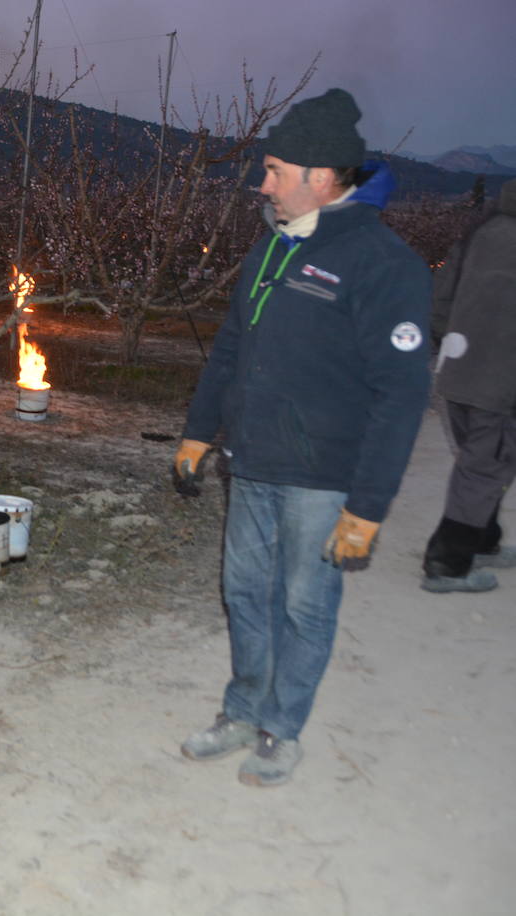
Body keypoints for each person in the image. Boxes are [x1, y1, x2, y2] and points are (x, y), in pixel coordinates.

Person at [171, 89, 432, 787]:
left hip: (323, 479)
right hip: (251, 463)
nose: (263, 183)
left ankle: (281, 730)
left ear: (322, 176)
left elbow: (403, 394)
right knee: (244, 593)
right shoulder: (271, 246)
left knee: (303, 604)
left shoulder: (383, 263)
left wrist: (367, 506)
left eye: (276, 171)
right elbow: (230, 347)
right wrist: (199, 433)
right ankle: (242, 707)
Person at [420, 179, 516, 592]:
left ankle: (483, 539)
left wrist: (448, 341)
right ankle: (448, 561)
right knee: (485, 464)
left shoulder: (481, 229)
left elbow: (442, 294)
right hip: (501, 378)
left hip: (458, 370)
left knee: (485, 459)